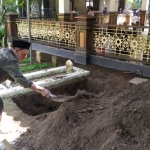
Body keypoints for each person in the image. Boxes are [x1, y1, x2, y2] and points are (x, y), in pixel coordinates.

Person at [0, 39, 51, 133]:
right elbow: (21, 80)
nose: (25, 56)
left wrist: (21, 80)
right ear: (16, 51)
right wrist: (41, 90)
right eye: (24, 54)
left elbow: (14, 76)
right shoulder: (10, 59)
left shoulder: (6, 51)